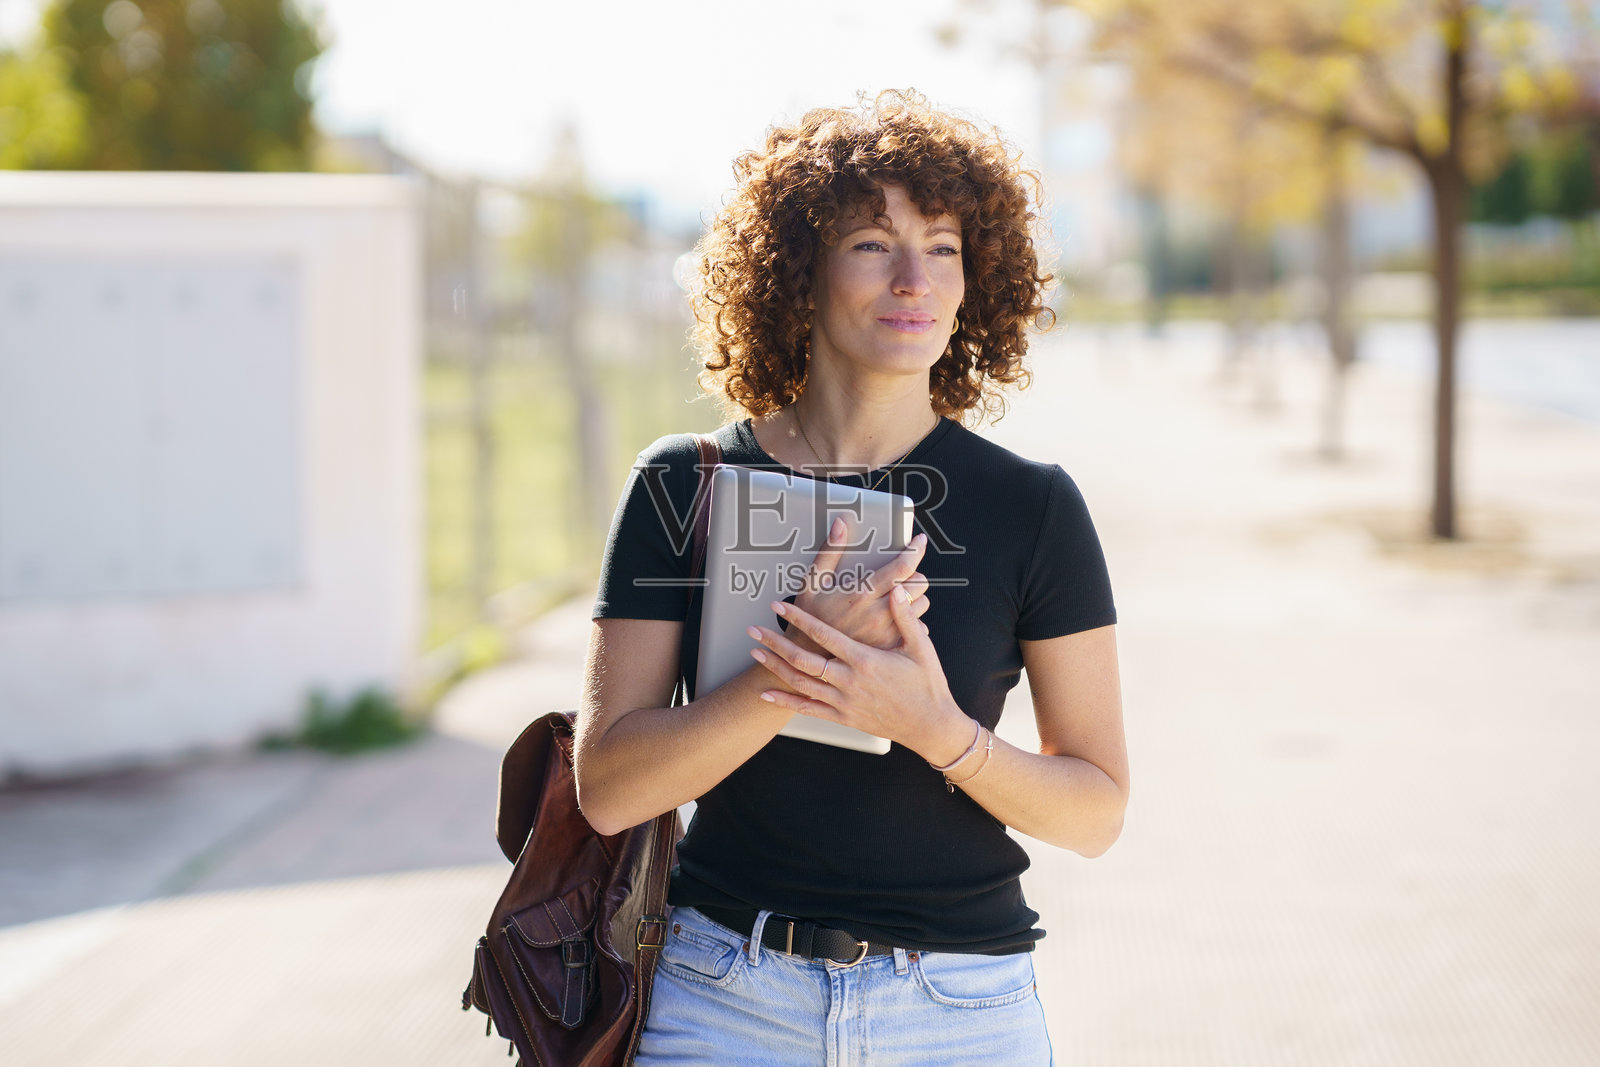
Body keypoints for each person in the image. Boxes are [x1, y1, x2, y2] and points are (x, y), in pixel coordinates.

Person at [574, 89, 1127, 1065]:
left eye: (944, 246)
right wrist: (796, 668)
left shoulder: (1033, 507)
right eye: (873, 243)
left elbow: (1094, 808)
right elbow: (610, 789)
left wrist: (929, 725)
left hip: (963, 1012)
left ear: (976, 279)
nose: (914, 278)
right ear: (798, 270)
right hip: (722, 1002)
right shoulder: (683, 483)